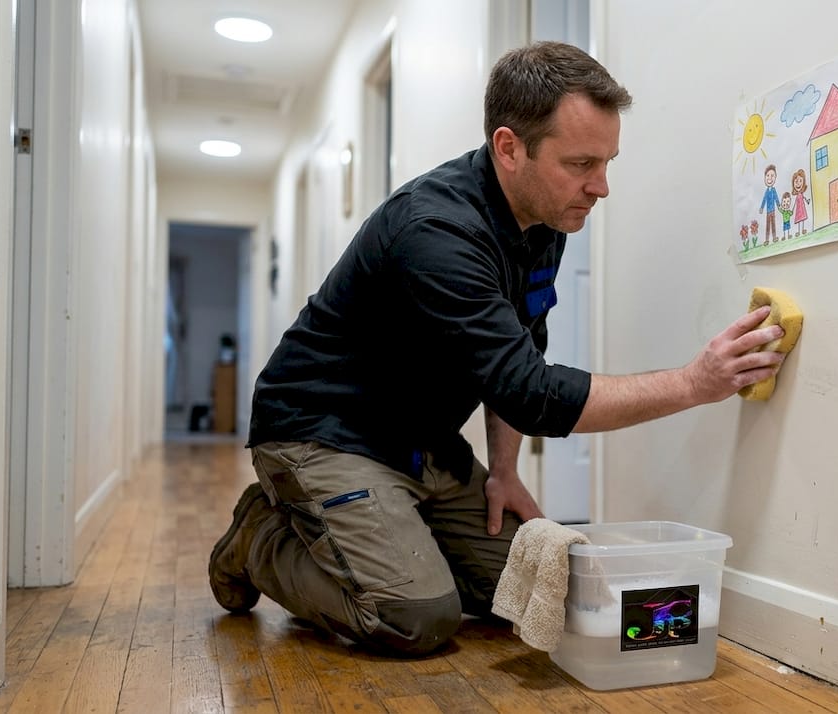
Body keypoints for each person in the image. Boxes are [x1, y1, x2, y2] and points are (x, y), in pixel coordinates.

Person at [208, 41, 786, 657]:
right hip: (323, 432)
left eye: (608, 161)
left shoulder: (544, 214)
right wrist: (696, 383)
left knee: (527, 588)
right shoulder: (434, 232)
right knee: (416, 616)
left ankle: (390, 537)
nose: (601, 186)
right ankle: (261, 537)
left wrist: (505, 471)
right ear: (509, 147)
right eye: (582, 163)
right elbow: (533, 394)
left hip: (421, 441)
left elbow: (520, 348)